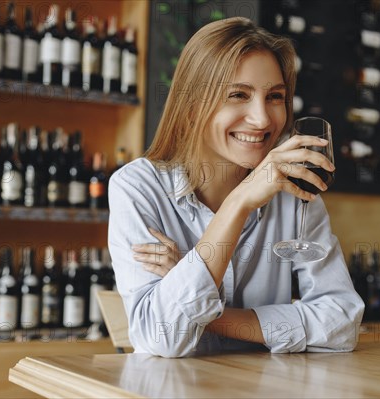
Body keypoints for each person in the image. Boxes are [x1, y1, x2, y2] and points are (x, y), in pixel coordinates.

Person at [108, 17, 364, 358]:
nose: (262, 119)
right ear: (192, 105)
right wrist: (239, 202)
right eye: (238, 95)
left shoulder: (295, 190)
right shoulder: (137, 188)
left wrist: (205, 307)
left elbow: (343, 322)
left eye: (275, 97)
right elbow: (160, 336)